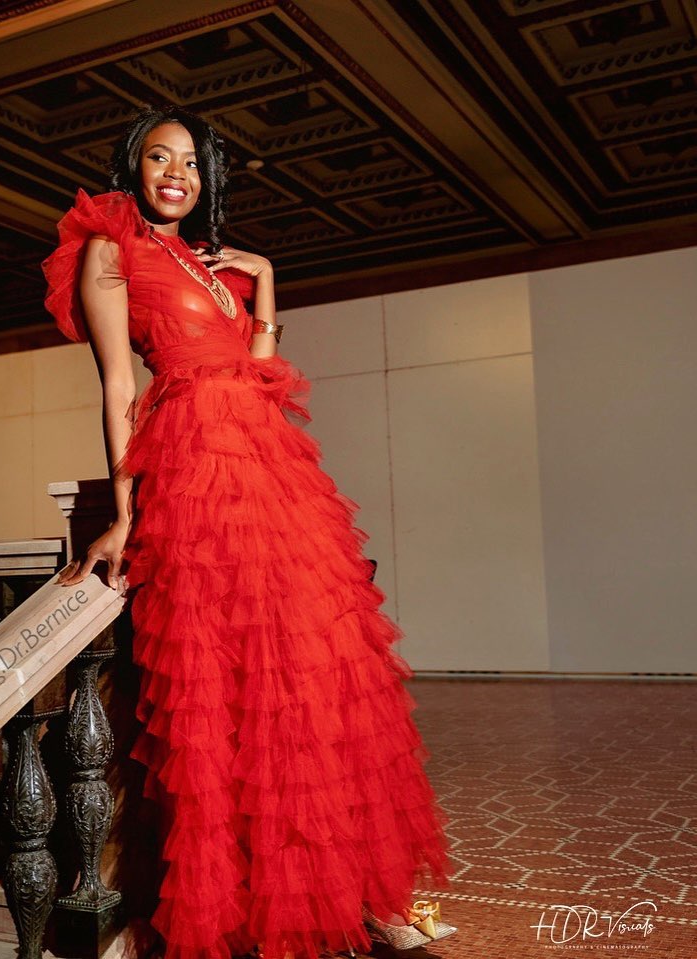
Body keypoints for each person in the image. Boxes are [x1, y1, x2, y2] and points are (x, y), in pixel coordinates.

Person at [44, 106, 454, 959]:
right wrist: (124, 513)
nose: (174, 172)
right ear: (132, 167)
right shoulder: (109, 249)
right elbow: (120, 383)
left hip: (270, 468)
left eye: (190, 162)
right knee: (227, 683)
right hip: (193, 463)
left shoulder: (210, 262)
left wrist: (264, 282)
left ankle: (349, 887)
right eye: (157, 157)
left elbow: (262, 373)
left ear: (206, 180)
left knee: (311, 668)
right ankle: (251, 900)